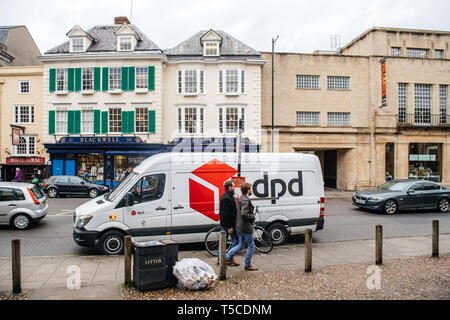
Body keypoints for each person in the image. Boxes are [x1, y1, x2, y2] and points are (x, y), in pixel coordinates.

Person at [226, 182, 259, 271]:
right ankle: (247, 265)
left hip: (240, 226)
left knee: (241, 244)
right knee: (251, 246)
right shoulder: (245, 201)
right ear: (248, 190)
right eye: (250, 188)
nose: (251, 190)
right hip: (246, 227)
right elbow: (244, 214)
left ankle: (227, 256)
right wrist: (253, 217)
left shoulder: (240, 199)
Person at [218, 180, 240, 266]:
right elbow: (226, 214)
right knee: (237, 241)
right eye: (233, 186)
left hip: (230, 224)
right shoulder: (227, 198)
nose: (235, 187)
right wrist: (230, 226)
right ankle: (227, 257)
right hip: (229, 225)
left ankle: (226, 258)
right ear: (229, 187)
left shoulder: (229, 196)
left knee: (225, 242)